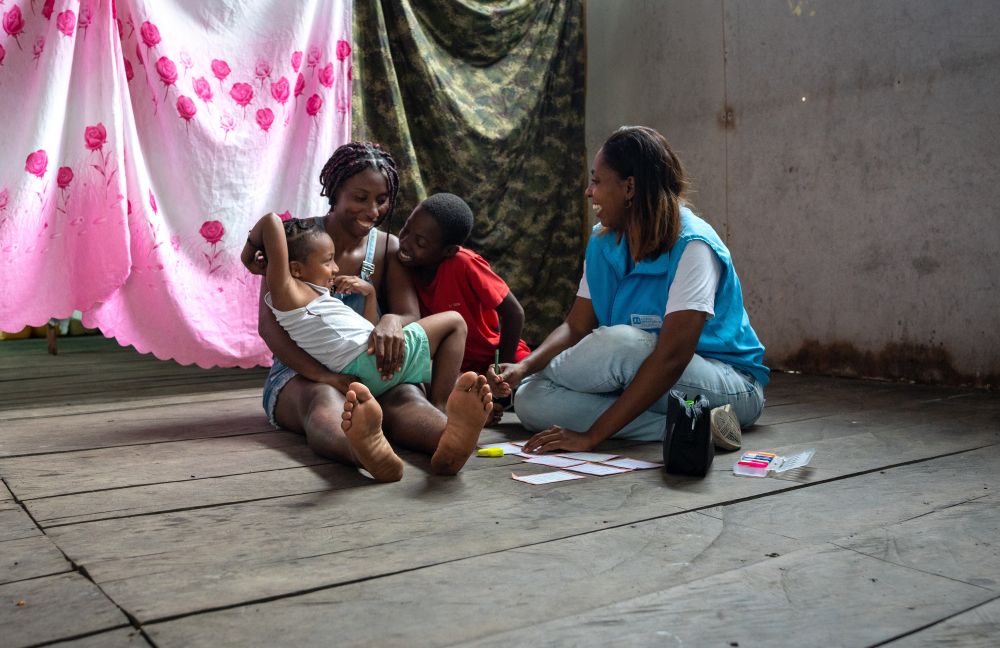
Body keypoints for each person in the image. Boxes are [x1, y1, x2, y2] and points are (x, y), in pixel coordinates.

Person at [489, 126, 768, 455]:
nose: (588, 192)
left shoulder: (693, 246)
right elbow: (576, 326)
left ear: (630, 187)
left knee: (621, 342)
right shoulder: (603, 241)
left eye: (597, 181)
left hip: (727, 386)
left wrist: (591, 436)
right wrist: (523, 369)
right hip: (642, 378)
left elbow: (671, 359)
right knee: (530, 400)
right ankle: (690, 426)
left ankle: (687, 416)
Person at [253, 142, 493, 482]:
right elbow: (270, 328)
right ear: (335, 192)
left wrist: (391, 321)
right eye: (360, 197)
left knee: (406, 396)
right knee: (322, 401)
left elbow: (408, 313)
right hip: (302, 371)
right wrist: (325, 376)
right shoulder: (298, 239)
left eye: (382, 200)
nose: (373, 209)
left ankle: (451, 439)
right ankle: (362, 450)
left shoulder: (387, 247)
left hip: (368, 363)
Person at [242, 213, 468, 409]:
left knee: (443, 368)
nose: (336, 268)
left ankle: (468, 398)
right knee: (455, 323)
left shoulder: (315, 296)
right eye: (328, 261)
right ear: (296, 270)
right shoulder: (289, 293)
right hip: (364, 363)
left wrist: (369, 295)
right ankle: (441, 407)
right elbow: (272, 221)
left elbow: (368, 332)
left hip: (366, 368)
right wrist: (248, 253)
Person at [396, 193, 531, 374]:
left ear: (448, 251)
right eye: (405, 229)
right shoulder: (401, 266)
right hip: (450, 365)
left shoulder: (464, 264)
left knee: (530, 381)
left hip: (492, 356)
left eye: (420, 242)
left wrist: (501, 370)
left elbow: (514, 313)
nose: (405, 242)